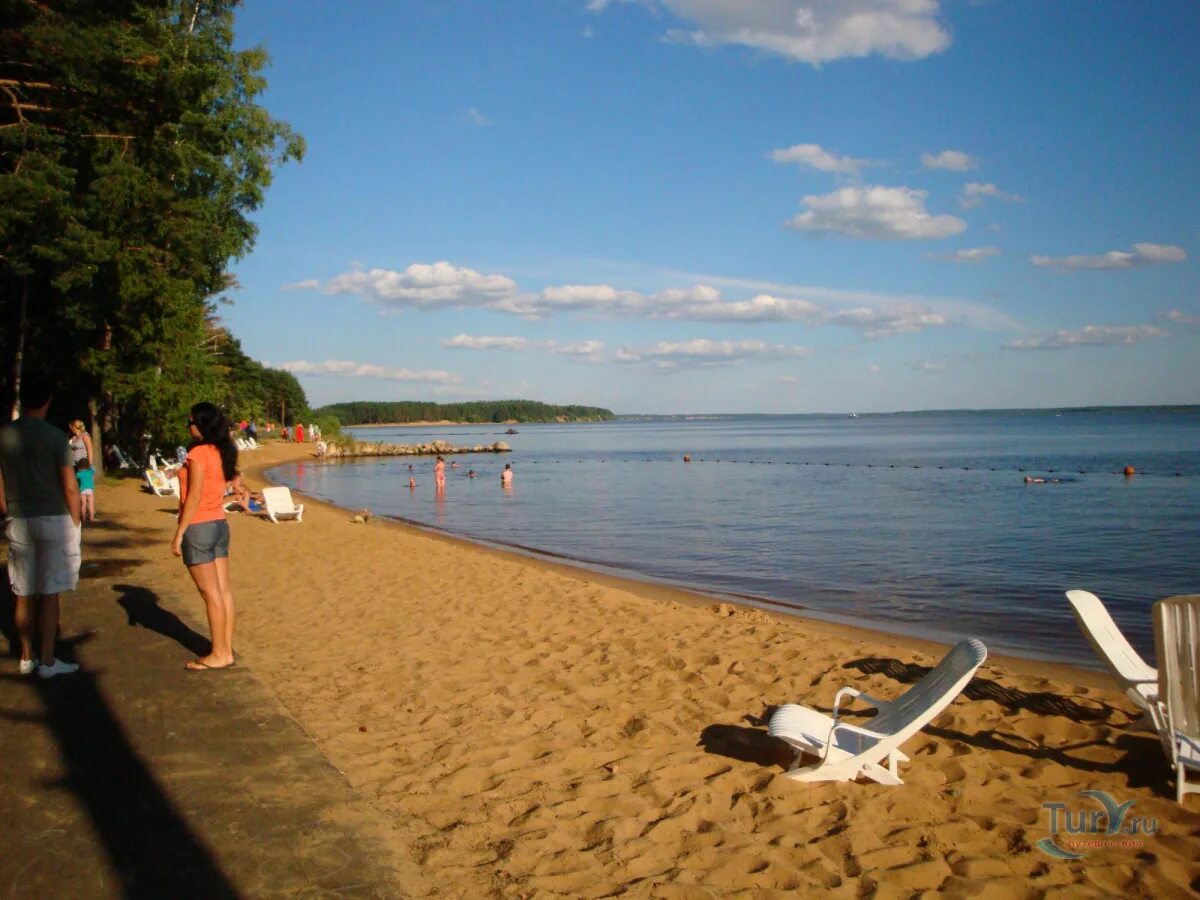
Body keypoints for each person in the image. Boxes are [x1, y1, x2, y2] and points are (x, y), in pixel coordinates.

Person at [0, 373, 82, 678]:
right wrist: (74, 522)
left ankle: (25, 655)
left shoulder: (5, 434)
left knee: (23, 591)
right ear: (48, 400)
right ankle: (47, 659)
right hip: (53, 517)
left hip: (19, 517)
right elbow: (70, 486)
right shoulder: (56, 437)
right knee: (49, 593)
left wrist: (8, 509)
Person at [172, 402, 239, 671]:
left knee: (211, 593)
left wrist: (179, 533)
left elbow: (194, 495)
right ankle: (225, 650)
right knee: (222, 591)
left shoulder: (199, 453)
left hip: (199, 526)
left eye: (191, 421)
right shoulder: (221, 450)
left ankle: (219, 653)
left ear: (202, 424)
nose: (188, 426)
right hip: (219, 525)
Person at [75, 458, 96, 523]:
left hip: (82, 490)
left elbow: (75, 478)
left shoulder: (79, 473)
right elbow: (93, 469)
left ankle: (83, 518)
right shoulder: (90, 471)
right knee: (91, 504)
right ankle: (91, 518)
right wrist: (91, 465)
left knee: (83, 504)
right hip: (90, 489)